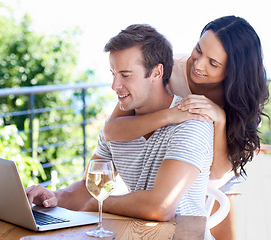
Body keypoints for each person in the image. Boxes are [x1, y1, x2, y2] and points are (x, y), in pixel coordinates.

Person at [103, 16, 269, 240]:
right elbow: (112, 130)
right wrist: (170, 115)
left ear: (233, 71)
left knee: (217, 228)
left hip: (218, 173)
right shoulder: (171, 70)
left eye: (213, 63)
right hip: (178, 159)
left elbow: (217, 173)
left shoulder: (243, 102)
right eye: (198, 50)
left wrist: (219, 120)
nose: (198, 65)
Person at [26, 24, 214, 221]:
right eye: (113, 74)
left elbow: (161, 207)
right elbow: (89, 187)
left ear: (157, 73)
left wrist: (99, 204)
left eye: (125, 75)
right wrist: (53, 197)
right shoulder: (117, 126)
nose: (115, 86)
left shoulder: (191, 122)